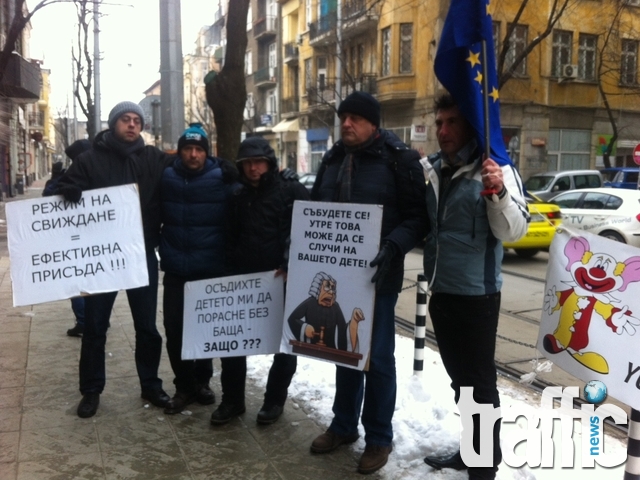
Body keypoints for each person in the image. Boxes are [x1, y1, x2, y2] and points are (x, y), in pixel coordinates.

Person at [308, 91, 428, 475]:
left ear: (374, 123)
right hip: (337, 278)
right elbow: (315, 214)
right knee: (343, 350)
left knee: (375, 359)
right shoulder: (332, 159)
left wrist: (394, 246)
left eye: (356, 118)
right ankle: (343, 426)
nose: (347, 123)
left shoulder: (400, 160)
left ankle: (378, 437)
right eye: (344, 117)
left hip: (378, 277)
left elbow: (417, 218)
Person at [421, 93, 528, 480]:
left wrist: (497, 193)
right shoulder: (434, 169)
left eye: (451, 122)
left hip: (478, 297)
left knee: (480, 386)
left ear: (469, 124)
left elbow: (514, 231)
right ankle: (471, 451)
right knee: (460, 383)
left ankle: (484, 467)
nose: (442, 130)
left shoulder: (495, 168)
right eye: (439, 123)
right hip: (442, 293)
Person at [56, 101, 173, 418]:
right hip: (103, 259)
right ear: (113, 123)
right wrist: (67, 189)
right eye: (126, 119)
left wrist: (227, 170)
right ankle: (91, 390)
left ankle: (151, 384)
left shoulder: (153, 158)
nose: (132, 125)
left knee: (147, 327)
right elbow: (58, 191)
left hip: (140, 254)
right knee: (94, 327)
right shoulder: (89, 160)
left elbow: (192, 170)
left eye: (137, 120)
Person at [209, 136, 310, 426]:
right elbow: (229, 236)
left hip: (283, 280)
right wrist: (228, 273)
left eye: (259, 162)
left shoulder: (290, 190)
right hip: (244, 283)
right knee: (232, 344)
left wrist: (291, 263)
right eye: (248, 163)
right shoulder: (237, 195)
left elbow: (310, 230)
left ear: (270, 163)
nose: (254, 168)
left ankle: (274, 400)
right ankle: (232, 401)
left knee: (286, 346)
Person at [160, 123, 237, 414]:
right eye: (188, 149)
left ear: (207, 152)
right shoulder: (166, 176)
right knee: (175, 330)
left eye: (199, 149)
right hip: (176, 270)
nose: (193, 154)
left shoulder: (222, 177)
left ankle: (202, 382)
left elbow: (256, 187)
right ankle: (184, 386)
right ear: (180, 152)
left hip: (209, 269)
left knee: (205, 330)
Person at [44, 140, 92, 337]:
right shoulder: (95, 172)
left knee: (76, 282)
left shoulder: (71, 175)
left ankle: (84, 321)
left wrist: (55, 180)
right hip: (85, 238)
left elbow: (48, 198)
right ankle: (94, 319)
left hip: (74, 239)